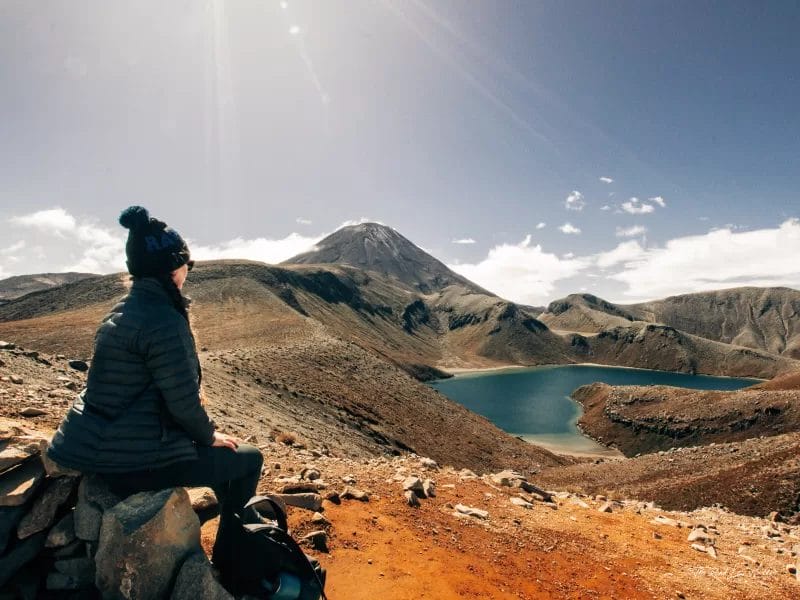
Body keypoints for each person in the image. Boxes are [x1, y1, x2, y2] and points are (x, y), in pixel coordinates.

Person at [47, 205, 263, 576]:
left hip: (97, 448)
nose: (187, 273)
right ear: (171, 268)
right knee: (248, 459)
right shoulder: (164, 320)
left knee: (225, 460)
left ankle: (239, 529)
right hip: (134, 462)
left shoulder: (121, 312)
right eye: (186, 265)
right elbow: (181, 402)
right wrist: (209, 435)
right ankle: (234, 557)